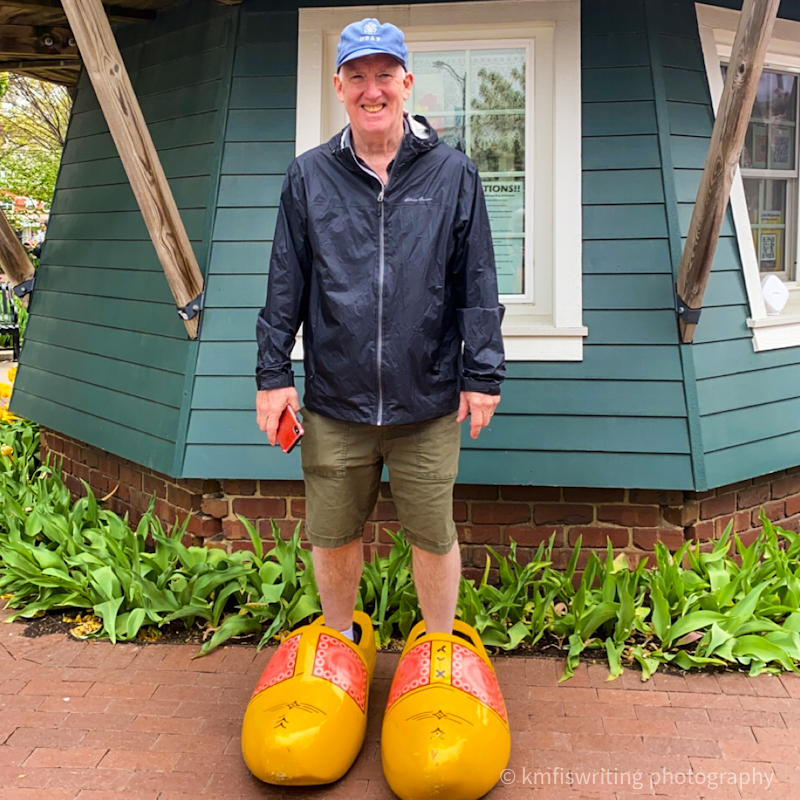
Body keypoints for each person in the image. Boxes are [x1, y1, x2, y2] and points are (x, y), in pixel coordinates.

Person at [247, 18, 508, 793]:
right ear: (339, 87)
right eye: (356, 76)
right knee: (333, 532)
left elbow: (478, 285)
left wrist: (483, 373)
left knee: (432, 531)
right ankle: (335, 651)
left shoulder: (454, 174)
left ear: (407, 83)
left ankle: (434, 657)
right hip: (333, 399)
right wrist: (272, 376)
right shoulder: (307, 178)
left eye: (384, 75)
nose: (372, 90)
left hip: (429, 400)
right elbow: (284, 286)